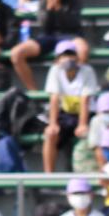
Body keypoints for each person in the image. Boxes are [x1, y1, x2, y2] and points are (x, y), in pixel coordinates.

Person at [8, 0, 87, 91]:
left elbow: (73, 24)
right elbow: (45, 28)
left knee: (83, 49)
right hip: (49, 36)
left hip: (70, 34)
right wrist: (50, 10)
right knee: (17, 54)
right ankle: (34, 92)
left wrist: (59, 9)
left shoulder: (74, 0)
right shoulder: (43, 2)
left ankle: (75, 89)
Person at [41, 38, 95, 175]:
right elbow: (54, 98)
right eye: (64, 55)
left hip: (87, 114)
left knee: (92, 135)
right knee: (50, 134)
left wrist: (83, 124)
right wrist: (52, 124)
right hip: (65, 114)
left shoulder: (87, 71)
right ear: (57, 59)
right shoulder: (55, 71)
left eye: (71, 54)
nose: (68, 59)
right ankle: (49, 176)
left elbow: (85, 100)